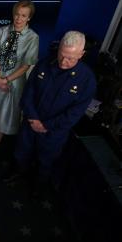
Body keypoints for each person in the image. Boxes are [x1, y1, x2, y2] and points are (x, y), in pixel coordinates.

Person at [12, 31, 96, 190]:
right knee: (21, 152)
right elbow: (28, 92)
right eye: (62, 55)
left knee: (46, 161)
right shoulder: (44, 64)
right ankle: (17, 173)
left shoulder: (87, 80)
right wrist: (32, 118)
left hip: (54, 131)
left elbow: (74, 114)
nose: (64, 62)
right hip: (31, 122)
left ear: (81, 54)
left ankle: (38, 186)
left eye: (70, 58)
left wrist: (46, 126)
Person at [0, 0, 39, 150]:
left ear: (29, 18)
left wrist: (6, 80)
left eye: (23, 15)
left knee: (4, 112)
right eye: (17, 14)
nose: (19, 18)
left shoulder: (32, 37)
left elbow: (26, 65)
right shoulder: (3, 31)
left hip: (14, 81)